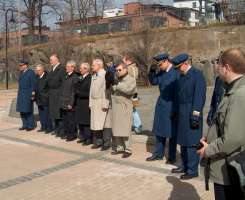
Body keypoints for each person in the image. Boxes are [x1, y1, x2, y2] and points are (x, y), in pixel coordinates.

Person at [198, 48, 245, 200]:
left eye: (218, 64)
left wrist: (208, 150)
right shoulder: (232, 89)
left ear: (227, 67)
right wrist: (208, 138)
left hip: (229, 168)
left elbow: (233, 139)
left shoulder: (239, 95)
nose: (216, 68)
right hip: (225, 165)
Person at [171, 53, 206, 180]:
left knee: (192, 142)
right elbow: (178, 96)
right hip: (182, 112)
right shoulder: (181, 76)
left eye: (179, 67)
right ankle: (184, 165)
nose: (177, 70)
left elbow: (199, 97)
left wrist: (195, 116)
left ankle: (192, 170)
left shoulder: (197, 75)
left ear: (186, 64)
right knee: (183, 141)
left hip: (191, 112)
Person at [146, 54, 179, 164]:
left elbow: (178, 92)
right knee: (159, 130)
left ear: (166, 61)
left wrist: (175, 108)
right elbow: (154, 82)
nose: (159, 67)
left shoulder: (175, 72)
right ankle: (158, 154)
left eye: (160, 64)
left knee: (171, 133)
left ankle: (172, 156)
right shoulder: (162, 72)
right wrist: (151, 72)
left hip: (171, 104)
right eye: (158, 65)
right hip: (161, 104)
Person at [111, 63, 137, 158]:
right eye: (116, 70)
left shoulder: (131, 79)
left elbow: (129, 90)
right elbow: (113, 89)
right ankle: (120, 147)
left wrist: (117, 85)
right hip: (116, 105)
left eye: (120, 70)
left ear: (125, 69)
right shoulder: (118, 79)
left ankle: (128, 149)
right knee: (117, 127)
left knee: (125, 128)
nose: (118, 72)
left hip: (125, 106)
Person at [89, 59, 110, 150]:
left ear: (99, 65)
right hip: (94, 103)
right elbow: (91, 90)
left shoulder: (104, 75)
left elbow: (106, 90)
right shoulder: (94, 75)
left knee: (104, 125)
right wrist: (90, 103)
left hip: (101, 102)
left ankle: (106, 143)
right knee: (95, 124)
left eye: (93, 65)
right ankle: (98, 141)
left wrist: (105, 104)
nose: (92, 67)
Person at [59, 60, 79, 141]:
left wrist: (71, 103)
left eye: (67, 67)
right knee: (65, 119)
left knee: (71, 120)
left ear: (72, 68)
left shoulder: (75, 77)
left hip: (69, 102)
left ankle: (72, 135)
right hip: (63, 101)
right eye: (66, 66)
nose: (66, 68)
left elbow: (73, 92)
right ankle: (67, 133)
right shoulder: (66, 76)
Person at [47, 54, 66, 136]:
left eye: (52, 60)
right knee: (54, 113)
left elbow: (63, 83)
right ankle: (56, 129)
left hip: (58, 94)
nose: (50, 61)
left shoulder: (61, 69)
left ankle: (61, 131)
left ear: (57, 60)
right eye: (50, 59)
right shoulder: (52, 69)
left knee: (59, 114)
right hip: (52, 94)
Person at [123, 54, 142, 134]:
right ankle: (136, 126)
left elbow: (133, 76)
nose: (124, 62)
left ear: (129, 61)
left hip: (132, 91)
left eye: (125, 61)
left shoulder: (133, 68)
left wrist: (126, 66)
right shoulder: (131, 67)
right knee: (130, 109)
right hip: (130, 91)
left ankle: (138, 126)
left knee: (133, 109)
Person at [74, 63, 92, 145]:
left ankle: (88, 138)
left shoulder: (90, 78)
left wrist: (79, 92)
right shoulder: (80, 78)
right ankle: (82, 137)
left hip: (85, 102)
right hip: (79, 102)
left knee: (86, 121)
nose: (80, 70)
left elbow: (89, 92)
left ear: (86, 69)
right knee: (80, 120)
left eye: (81, 68)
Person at [16, 59, 36, 131]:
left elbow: (33, 84)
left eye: (21, 65)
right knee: (22, 110)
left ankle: (30, 125)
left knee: (28, 110)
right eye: (20, 65)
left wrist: (33, 94)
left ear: (25, 65)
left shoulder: (31, 72)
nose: (20, 67)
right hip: (21, 94)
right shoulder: (21, 73)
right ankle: (24, 124)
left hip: (27, 94)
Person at [35, 64, 53, 133]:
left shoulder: (47, 76)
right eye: (37, 70)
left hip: (45, 99)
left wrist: (46, 96)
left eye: (39, 70)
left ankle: (49, 127)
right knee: (41, 114)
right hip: (38, 98)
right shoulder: (36, 77)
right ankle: (43, 126)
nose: (38, 72)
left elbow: (49, 88)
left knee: (47, 114)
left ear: (42, 70)